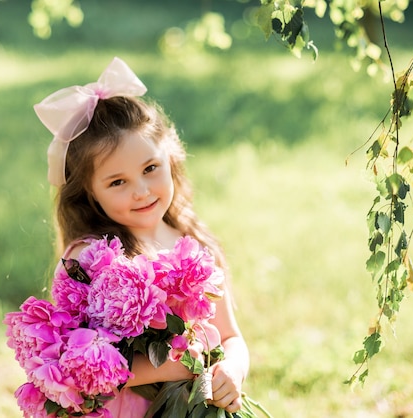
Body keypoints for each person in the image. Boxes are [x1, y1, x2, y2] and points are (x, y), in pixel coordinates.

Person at [33, 57, 250, 417]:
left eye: (150, 169)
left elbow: (231, 337)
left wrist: (233, 368)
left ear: (171, 159)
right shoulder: (87, 260)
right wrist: (170, 367)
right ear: (89, 193)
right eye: (118, 182)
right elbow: (75, 364)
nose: (141, 191)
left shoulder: (194, 245)